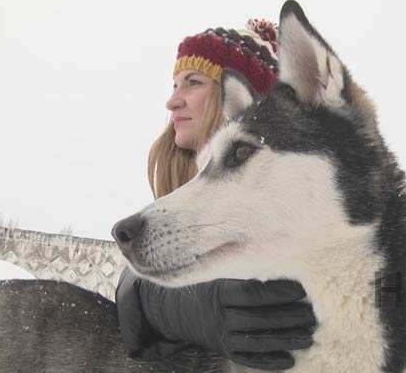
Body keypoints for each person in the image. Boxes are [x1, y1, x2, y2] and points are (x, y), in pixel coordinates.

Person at [115, 20, 316, 371]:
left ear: (241, 98)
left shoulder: (290, 206)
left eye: (193, 82)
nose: (172, 100)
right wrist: (178, 305)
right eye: (175, 84)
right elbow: (130, 299)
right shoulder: (175, 191)